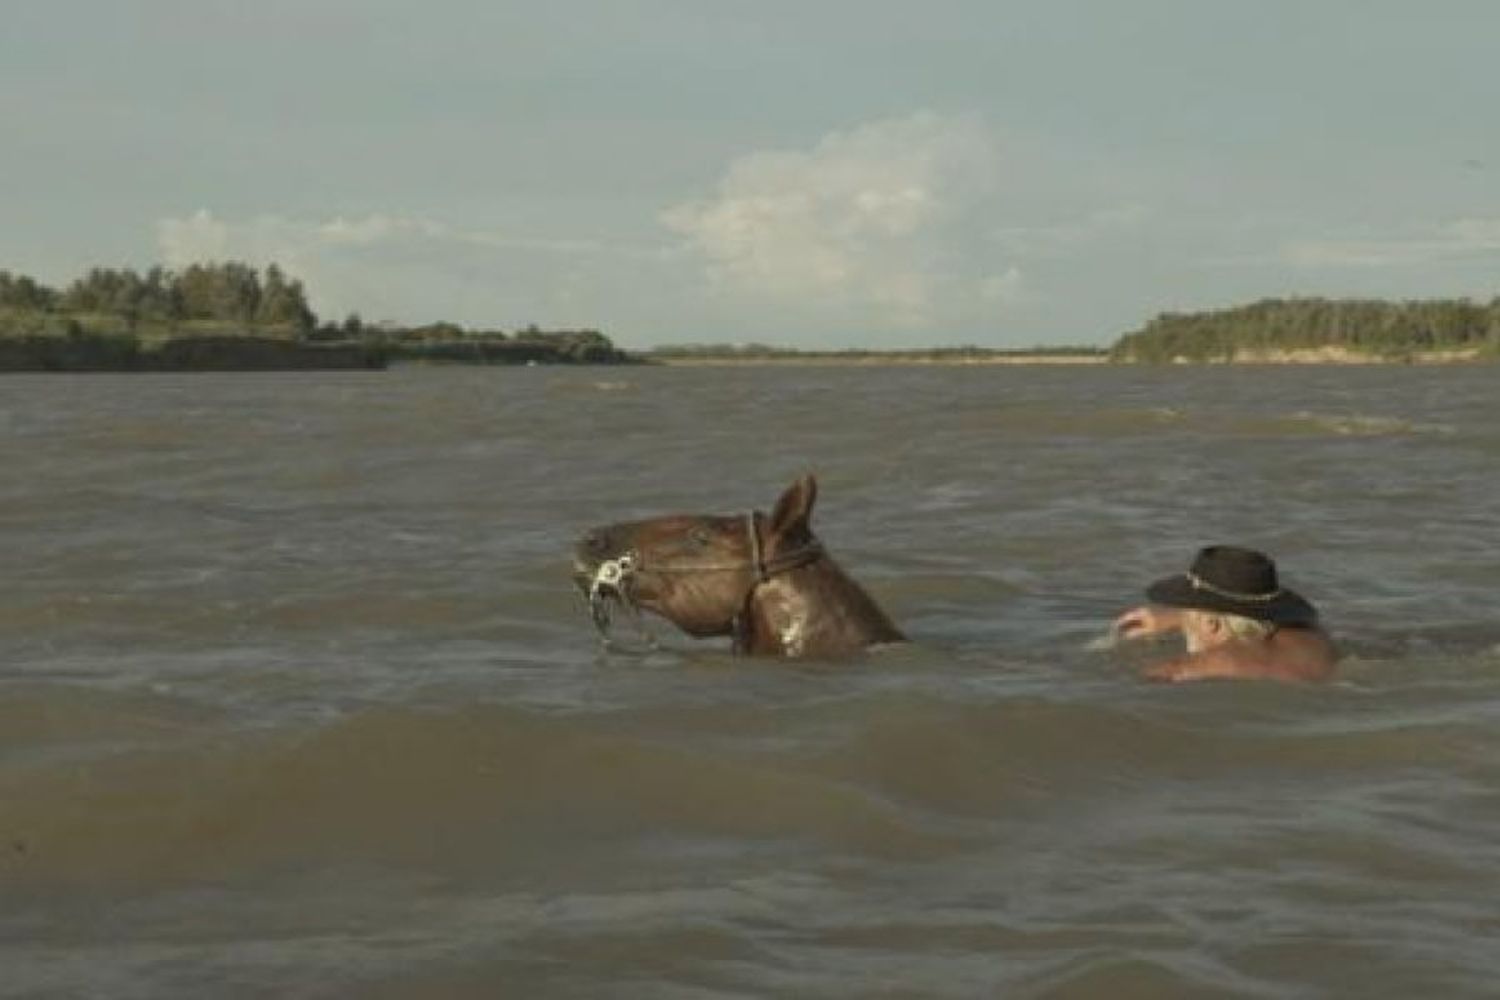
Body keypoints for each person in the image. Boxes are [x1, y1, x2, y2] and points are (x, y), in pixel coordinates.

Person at [1114, 545, 1338, 683]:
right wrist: (1177, 620)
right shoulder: (1313, 639)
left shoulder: (1192, 667)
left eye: (1188, 609)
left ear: (1211, 624)